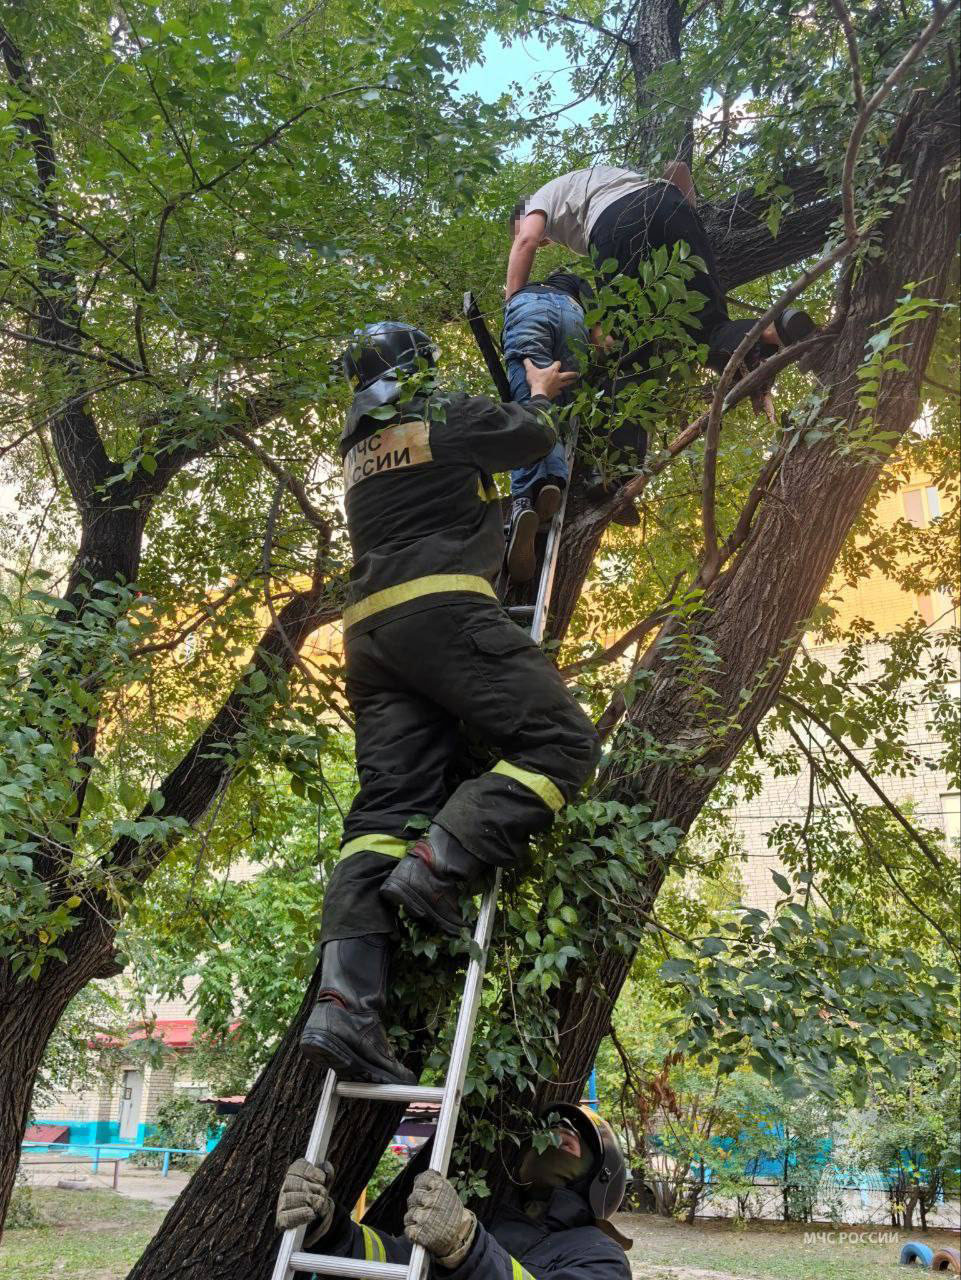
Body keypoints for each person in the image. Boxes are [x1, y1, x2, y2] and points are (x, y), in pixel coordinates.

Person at [298, 322, 601, 1086]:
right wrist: (533, 393)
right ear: (416, 369)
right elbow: (529, 437)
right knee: (560, 746)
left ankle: (343, 1003)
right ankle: (440, 863)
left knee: (376, 819)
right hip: (443, 612)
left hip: (369, 639)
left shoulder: (357, 452)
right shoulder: (440, 417)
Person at [506, 161, 814, 386]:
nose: (545, 242)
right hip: (671, 205)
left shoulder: (541, 198)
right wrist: (687, 221)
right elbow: (677, 167)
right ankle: (778, 330)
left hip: (616, 222)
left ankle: (619, 445)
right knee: (706, 327)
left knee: (624, 341)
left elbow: (526, 240)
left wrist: (514, 307)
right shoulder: (600, 176)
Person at [277, 1104, 633, 1278]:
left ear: (595, 1179)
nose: (548, 1151)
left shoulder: (602, 1256)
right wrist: (331, 1230)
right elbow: (401, 1265)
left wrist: (469, 1248)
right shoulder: (489, 1222)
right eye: (543, 1143)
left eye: (565, 1146)